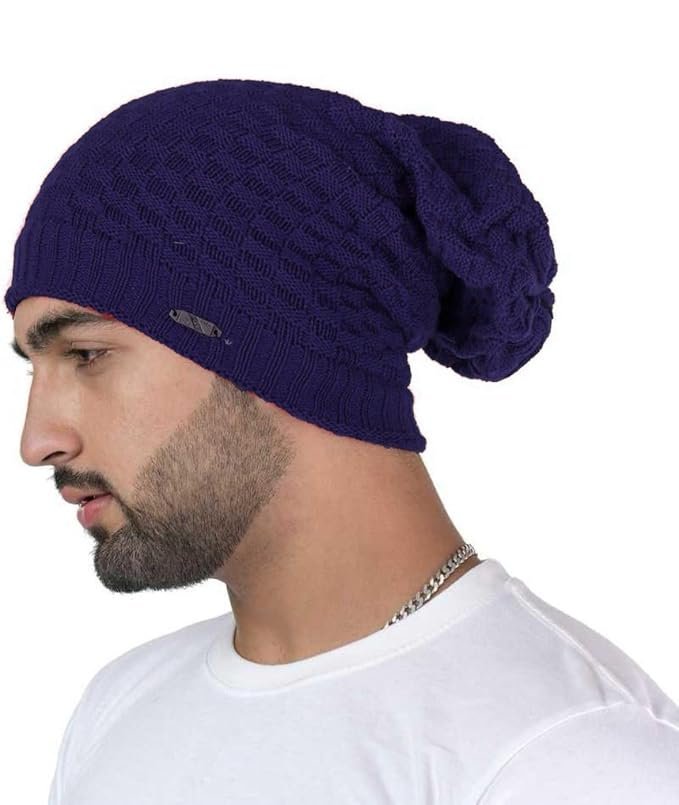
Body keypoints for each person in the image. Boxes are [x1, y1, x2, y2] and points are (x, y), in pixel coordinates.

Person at [6, 78, 678, 804]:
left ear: (273, 347)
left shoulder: (566, 757)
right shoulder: (119, 706)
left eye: (86, 355)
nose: (37, 441)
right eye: (34, 367)